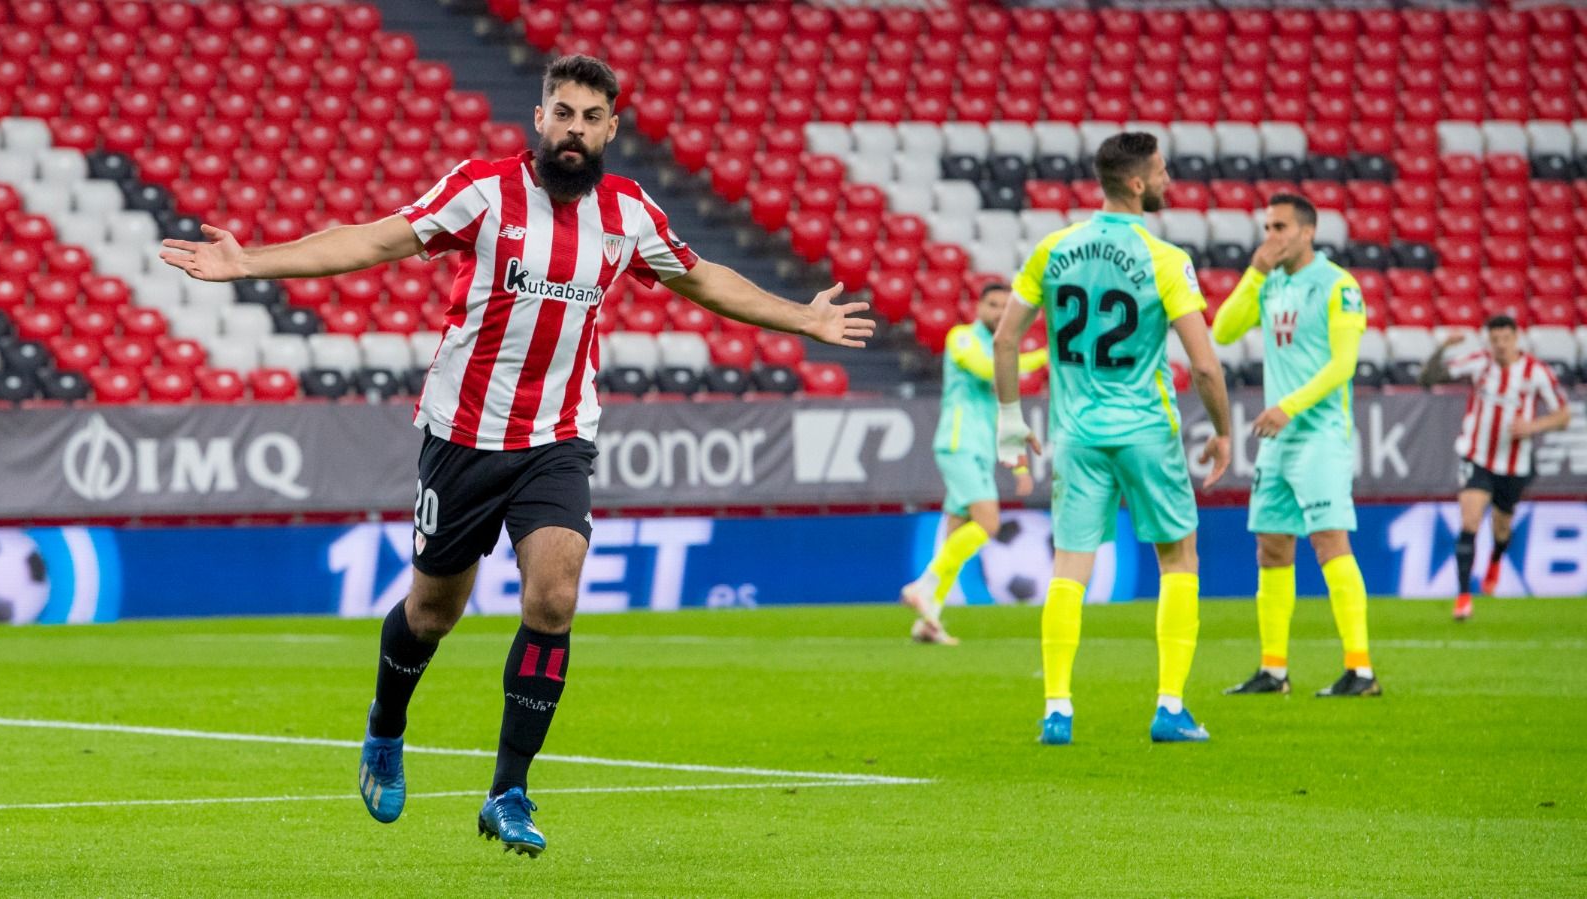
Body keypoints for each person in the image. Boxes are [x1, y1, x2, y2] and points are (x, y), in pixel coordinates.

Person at [158, 55, 873, 857]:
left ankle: (508, 790)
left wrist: (799, 319)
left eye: (589, 116)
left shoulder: (630, 212)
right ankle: (386, 726)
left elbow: (704, 280)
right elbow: (374, 241)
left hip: (558, 438)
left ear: (611, 126)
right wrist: (252, 260)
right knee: (433, 613)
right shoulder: (483, 190)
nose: (573, 129)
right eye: (561, 112)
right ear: (540, 119)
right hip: (462, 436)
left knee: (555, 599)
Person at [993, 132, 1232, 746]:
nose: (1168, 179)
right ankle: (1171, 707)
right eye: (1159, 171)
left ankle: (1057, 710)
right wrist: (1224, 430)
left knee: (1070, 569)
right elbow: (1204, 365)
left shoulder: (1053, 248)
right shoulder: (1163, 258)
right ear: (1135, 183)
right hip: (1147, 433)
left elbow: (1005, 340)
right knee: (1178, 559)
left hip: (1076, 434)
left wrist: (1010, 421)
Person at [1213, 194, 1379, 698]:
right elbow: (1222, 331)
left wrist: (1291, 406)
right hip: (1277, 440)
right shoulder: (1271, 283)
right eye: (1266, 226)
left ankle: (1361, 670)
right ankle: (1274, 670)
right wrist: (1254, 273)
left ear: (1307, 232)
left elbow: (1343, 366)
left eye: (1279, 226)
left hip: (1319, 434)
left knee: (1329, 542)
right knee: (1271, 546)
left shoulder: (1338, 286)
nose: (1270, 236)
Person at [900, 283, 1047, 645]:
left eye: (1005, 307)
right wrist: (1044, 356)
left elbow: (1002, 413)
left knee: (955, 534)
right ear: (979, 306)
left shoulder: (1001, 350)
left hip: (979, 449)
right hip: (958, 443)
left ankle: (929, 618)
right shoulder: (963, 338)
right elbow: (985, 369)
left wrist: (1019, 466)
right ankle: (923, 586)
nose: (999, 312)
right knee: (988, 522)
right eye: (993, 304)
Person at [1420, 315, 1571, 620]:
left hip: (1514, 464)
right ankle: (1463, 597)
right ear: (1488, 341)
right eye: (1495, 340)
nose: (1500, 346)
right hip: (1476, 456)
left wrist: (1533, 425)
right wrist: (1441, 348)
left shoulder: (1536, 372)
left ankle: (1495, 560)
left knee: (1501, 527)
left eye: (1506, 339)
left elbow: (1563, 415)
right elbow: (1428, 378)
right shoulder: (1479, 363)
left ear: (1516, 338)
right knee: (1470, 520)